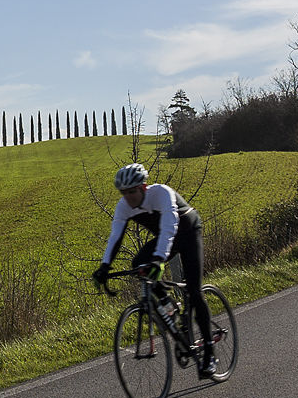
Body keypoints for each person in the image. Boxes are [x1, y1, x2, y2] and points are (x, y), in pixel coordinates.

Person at [93, 162, 220, 380]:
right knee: (139, 263)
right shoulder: (124, 206)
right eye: (124, 193)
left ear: (143, 187)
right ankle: (168, 304)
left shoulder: (161, 193)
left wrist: (159, 259)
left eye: (132, 192)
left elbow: (169, 227)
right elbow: (115, 236)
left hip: (188, 233)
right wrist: (104, 266)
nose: (128, 197)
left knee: (194, 291)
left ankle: (209, 353)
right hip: (166, 238)